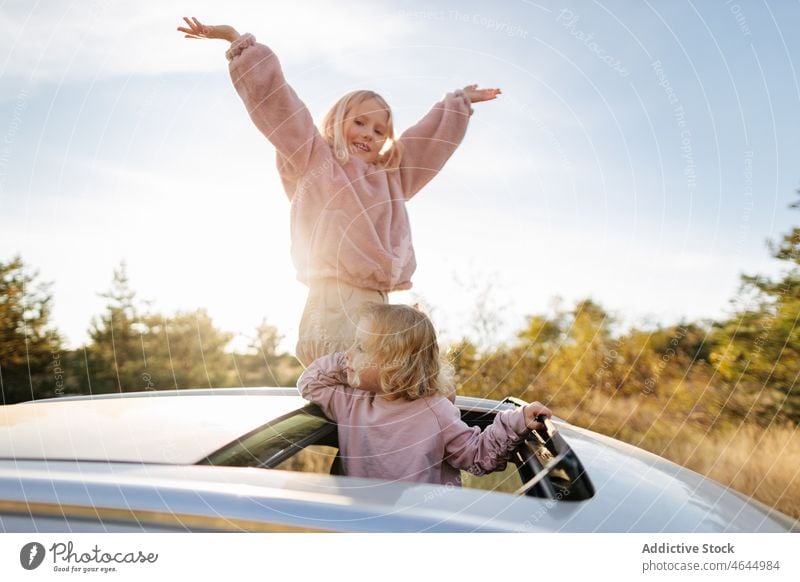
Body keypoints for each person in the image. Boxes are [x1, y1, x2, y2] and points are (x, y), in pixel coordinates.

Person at [177, 17, 502, 366]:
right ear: (336, 121)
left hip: (379, 299)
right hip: (334, 295)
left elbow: (426, 144)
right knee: (338, 377)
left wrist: (458, 103)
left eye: (379, 130)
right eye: (359, 122)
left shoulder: (391, 177)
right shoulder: (314, 158)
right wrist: (237, 41)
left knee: (379, 383)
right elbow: (279, 105)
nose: (368, 134)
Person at [297, 302, 552, 486]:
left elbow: (476, 456)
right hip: (362, 521)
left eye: (361, 347)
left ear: (394, 362)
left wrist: (517, 421)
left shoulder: (435, 411)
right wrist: (351, 363)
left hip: (419, 524)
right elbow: (310, 382)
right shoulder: (350, 401)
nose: (348, 353)